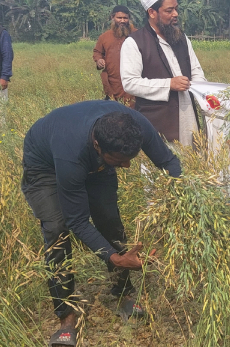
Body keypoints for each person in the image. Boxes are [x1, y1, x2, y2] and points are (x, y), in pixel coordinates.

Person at [22, 101, 182, 347]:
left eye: (130, 158)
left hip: (90, 155)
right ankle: (66, 317)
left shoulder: (136, 125)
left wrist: (182, 201)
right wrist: (114, 258)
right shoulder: (71, 155)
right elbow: (77, 220)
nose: (127, 166)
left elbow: (169, 163)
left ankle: (123, 292)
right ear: (98, 146)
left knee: (109, 220)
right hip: (45, 164)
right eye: (120, 160)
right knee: (57, 229)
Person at [120, 0, 206, 145]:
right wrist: (169, 85)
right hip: (157, 124)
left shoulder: (182, 38)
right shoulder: (134, 42)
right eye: (169, 10)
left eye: (176, 9)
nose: (175, 14)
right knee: (161, 168)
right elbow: (130, 83)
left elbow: (197, 72)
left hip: (189, 119)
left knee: (192, 167)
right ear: (152, 12)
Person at [93, 5, 136, 106]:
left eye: (125, 18)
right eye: (119, 18)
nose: (122, 21)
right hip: (112, 83)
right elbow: (97, 52)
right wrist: (99, 60)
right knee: (113, 111)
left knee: (132, 111)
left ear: (129, 19)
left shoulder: (137, 35)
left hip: (132, 82)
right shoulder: (104, 37)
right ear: (113, 17)